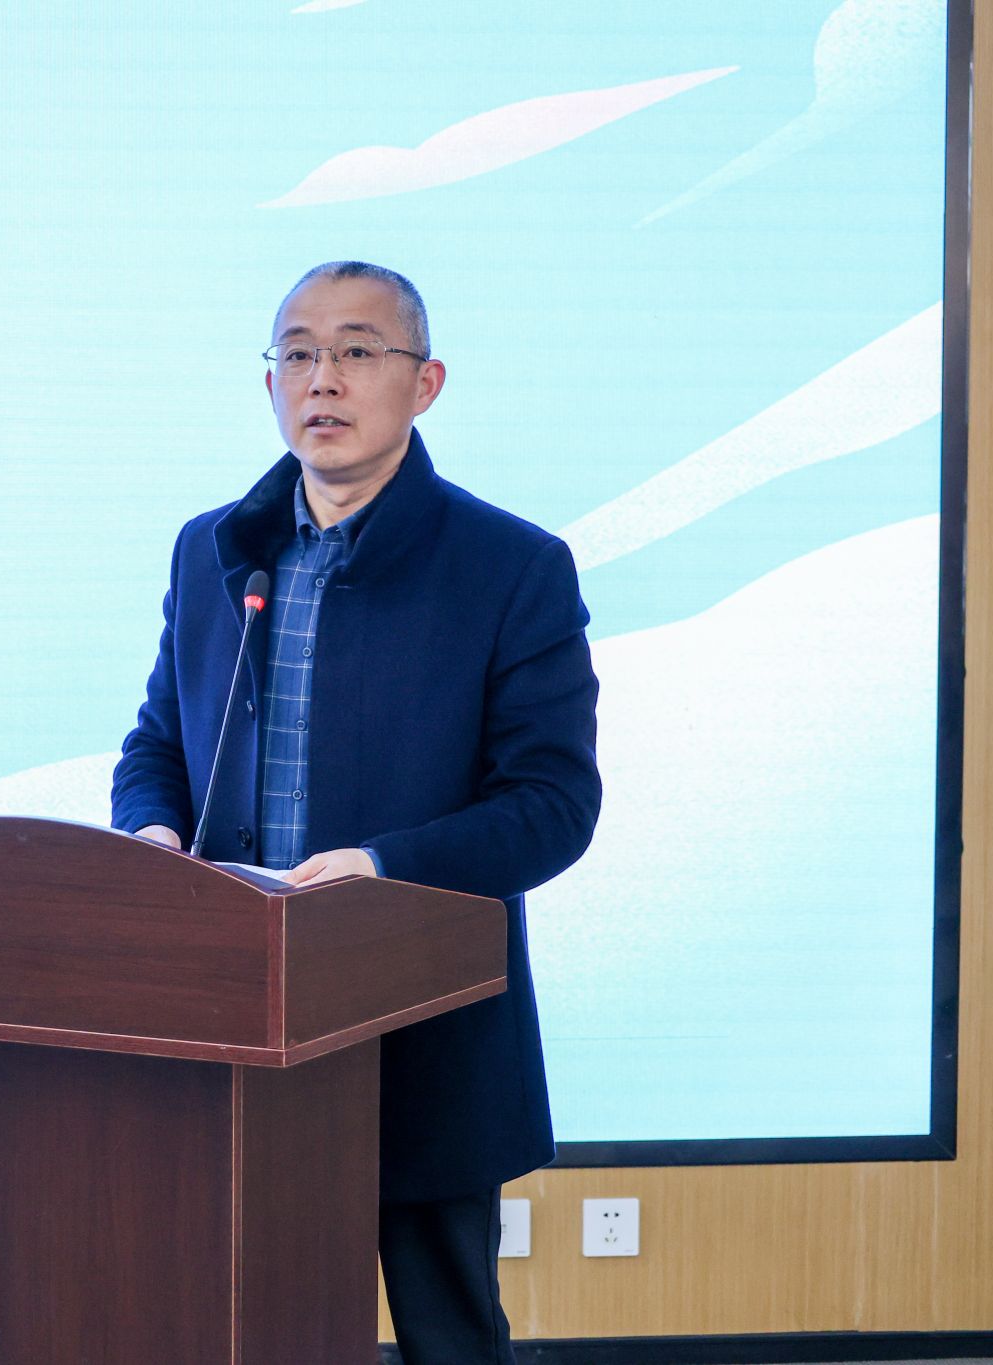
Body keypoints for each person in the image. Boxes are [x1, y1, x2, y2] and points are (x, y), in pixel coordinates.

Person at [111, 260, 602, 1365]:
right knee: (232, 1330)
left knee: (447, 1340)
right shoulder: (214, 548)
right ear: (269, 384)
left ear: (424, 383)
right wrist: (150, 842)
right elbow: (156, 746)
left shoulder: (510, 566)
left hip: (421, 1024)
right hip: (229, 1022)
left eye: (355, 351)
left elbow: (553, 804)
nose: (320, 379)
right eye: (296, 354)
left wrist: (379, 868)